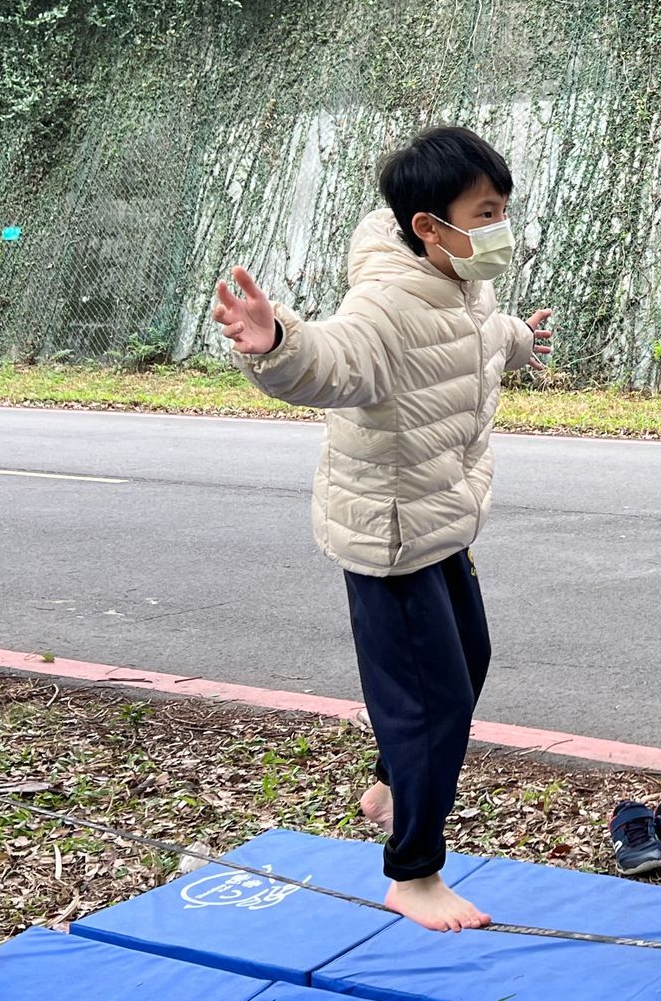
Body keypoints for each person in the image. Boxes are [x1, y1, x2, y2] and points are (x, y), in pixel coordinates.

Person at [211, 126, 552, 932]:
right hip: (392, 537)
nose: (501, 227)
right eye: (487, 211)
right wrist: (277, 342)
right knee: (430, 704)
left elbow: (484, 337)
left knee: (468, 662)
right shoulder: (387, 302)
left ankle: (391, 782)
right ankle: (414, 872)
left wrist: (525, 340)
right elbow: (336, 360)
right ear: (430, 227)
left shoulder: (463, 287)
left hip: (440, 521)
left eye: (503, 208)